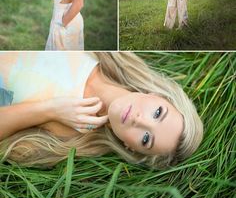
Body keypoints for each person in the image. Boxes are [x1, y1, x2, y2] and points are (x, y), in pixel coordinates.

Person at [0, 49, 203, 168]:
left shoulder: (71, 138)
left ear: (130, 147)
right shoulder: (111, 56)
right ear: (156, 96)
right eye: (158, 113)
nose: (139, 120)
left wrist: (49, 110)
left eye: (145, 138)